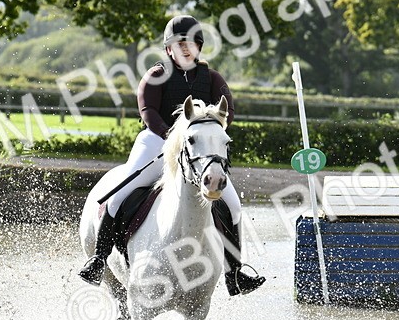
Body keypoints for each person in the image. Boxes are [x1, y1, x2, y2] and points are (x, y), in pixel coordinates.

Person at [78, 15, 266, 296]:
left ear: (199, 46)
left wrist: (206, 136)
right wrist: (172, 138)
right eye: (179, 44)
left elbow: (228, 113)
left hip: (199, 151)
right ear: (169, 49)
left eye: (190, 43)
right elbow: (148, 112)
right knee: (117, 197)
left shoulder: (213, 79)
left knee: (234, 207)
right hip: (157, 142)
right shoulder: (156, 75)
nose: (185, 48)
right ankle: (98, 259)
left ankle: (235, 272)